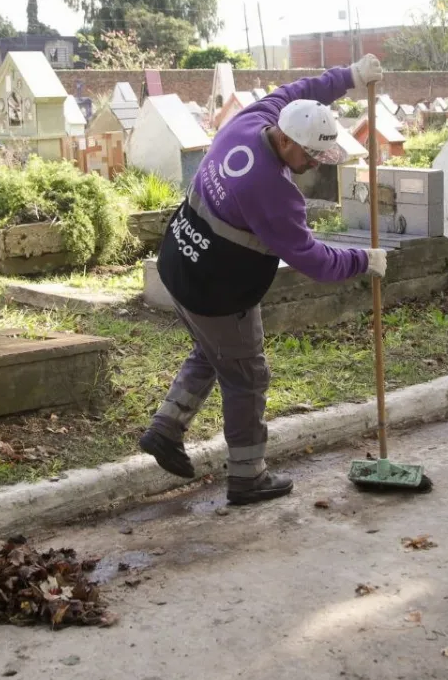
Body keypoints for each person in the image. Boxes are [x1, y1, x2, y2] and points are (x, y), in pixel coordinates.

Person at [138, 54, 387, 505]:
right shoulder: (273, 192)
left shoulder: (252, 120)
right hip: (215, 288)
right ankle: (247, 475)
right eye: (312, 154)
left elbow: (300, 92)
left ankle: (166, 428)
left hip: (179, 260)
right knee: (246, 376)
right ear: (289, 143)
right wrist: (363, 261)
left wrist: (349, 77)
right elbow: (313, 259)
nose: (315, 162)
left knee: (215, 352)